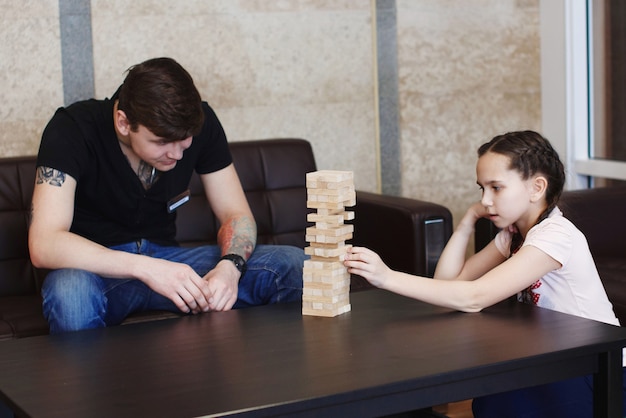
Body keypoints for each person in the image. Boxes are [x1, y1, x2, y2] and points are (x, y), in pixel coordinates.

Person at [344, 130, 626, 418]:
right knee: (491, 401)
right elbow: (448, 286)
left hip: (596, 366)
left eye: (496, 188)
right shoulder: (514, 234)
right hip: (551, 358)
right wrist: (466, 223)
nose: (486, 200)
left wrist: (387, 277)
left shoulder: (555, 235)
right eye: (482, 189)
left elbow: (473, 297)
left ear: (537, 187)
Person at [29, 57, 305, 334]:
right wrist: (148, 269)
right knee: (70, 295)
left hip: (171, 262)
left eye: (184, 141)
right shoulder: (72, 128)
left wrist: (229, 268)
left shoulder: (202, 123)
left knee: (295, 266)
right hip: (97, 271)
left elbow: (235, 214)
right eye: (161, 142)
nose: (176, 154)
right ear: (124, 123)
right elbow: (44, 243)